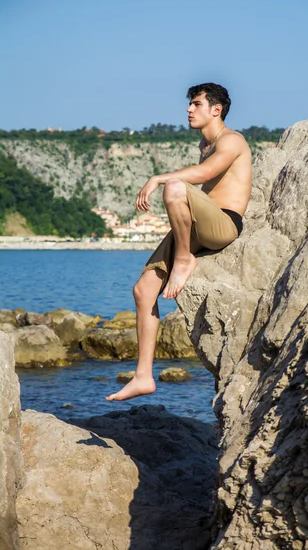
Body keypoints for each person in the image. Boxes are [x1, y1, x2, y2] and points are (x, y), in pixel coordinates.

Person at [106, 83, 252, 401]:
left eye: (196, 104)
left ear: (216, 109)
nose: (189, 109)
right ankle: (143, 375)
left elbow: (204, 173)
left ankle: (184, 260)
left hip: (223, 225)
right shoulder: (204, 142)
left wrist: (157, 178)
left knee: (174, 187)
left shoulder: (232, 140)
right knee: (143, 290)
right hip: (197, 226)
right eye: (189, 104)